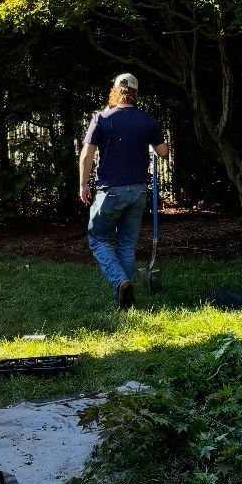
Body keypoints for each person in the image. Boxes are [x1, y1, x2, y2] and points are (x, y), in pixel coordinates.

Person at [79, 73, 168, 309]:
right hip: (138, 191)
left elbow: (87, 155)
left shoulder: (102, 119)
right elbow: (163, 152)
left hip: (110, 191)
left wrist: (83, 184)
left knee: (98, 239)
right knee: (126, 246)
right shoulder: (147, 121)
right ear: (136, 94)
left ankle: (120, 282)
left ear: (115, 91)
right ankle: (125, 298)